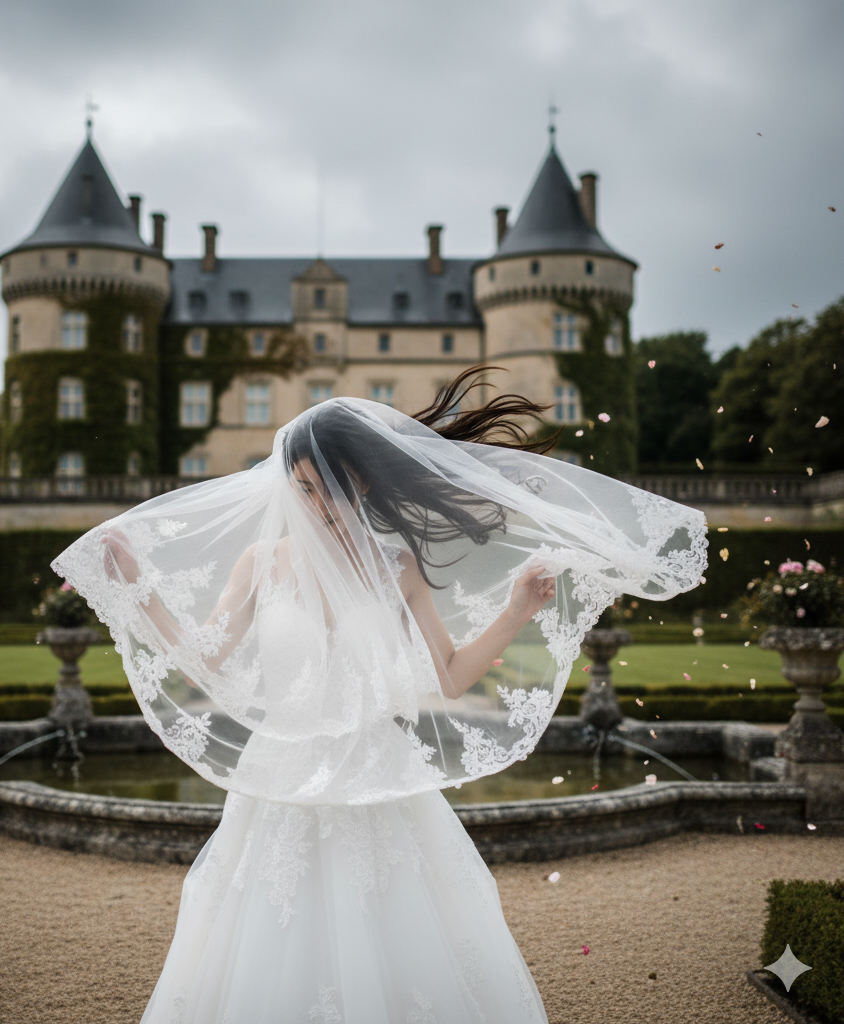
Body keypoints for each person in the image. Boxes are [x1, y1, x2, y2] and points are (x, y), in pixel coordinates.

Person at [51, 367, 707, 1023]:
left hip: (378, 775)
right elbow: (205, 664)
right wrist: (140, 590)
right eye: (302, 487)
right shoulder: (261, 564)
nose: (315, 504)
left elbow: (449, 675)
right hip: (280, 781)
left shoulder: (397, 566)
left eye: (329, 488)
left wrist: (515, 611)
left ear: (361, 481)